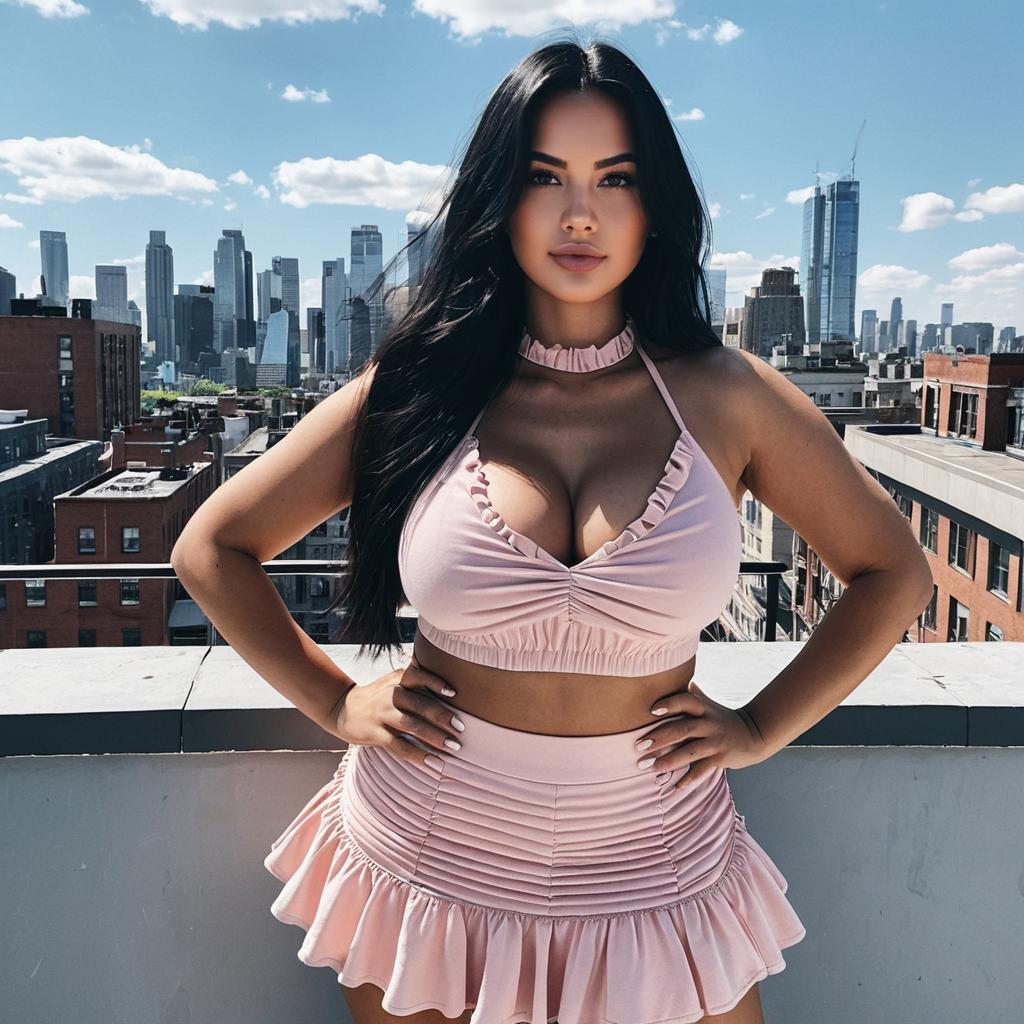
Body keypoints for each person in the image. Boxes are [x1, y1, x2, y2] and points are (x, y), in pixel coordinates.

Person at [171, 36, 934, 1024]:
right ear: (501, 196)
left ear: (653, 203)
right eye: (545, 177)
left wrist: (757, 727)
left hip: (659, 860)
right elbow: (212, 546)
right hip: (431, 854)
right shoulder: (423, 384)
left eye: (614, 179)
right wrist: (334, 703)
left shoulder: (727, 395)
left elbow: (892, 572)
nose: (581, 213)